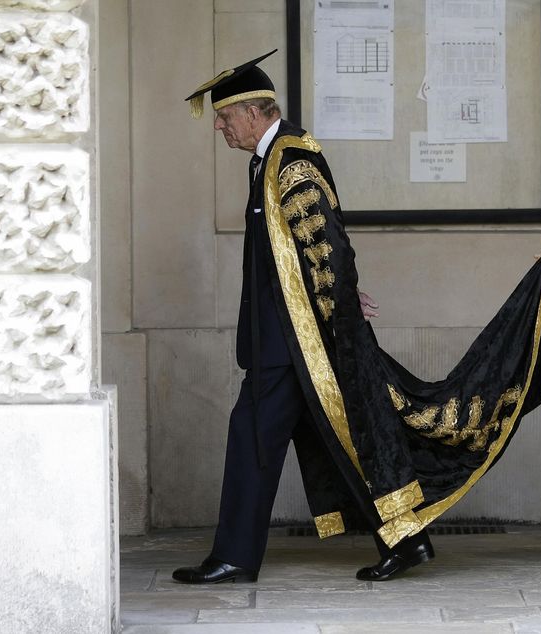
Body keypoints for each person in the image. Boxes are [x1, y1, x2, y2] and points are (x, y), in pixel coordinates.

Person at [171, 50, 434, 584]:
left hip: (293, 339)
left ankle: (235, 558)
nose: (220, 127)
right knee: (342, 435)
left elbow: (326, 240)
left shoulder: (291, 161)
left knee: (256, 437)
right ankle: (408, 538)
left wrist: (342, 300)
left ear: (252, 112)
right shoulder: (268, 161)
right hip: (287, 334)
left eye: (225, 117)